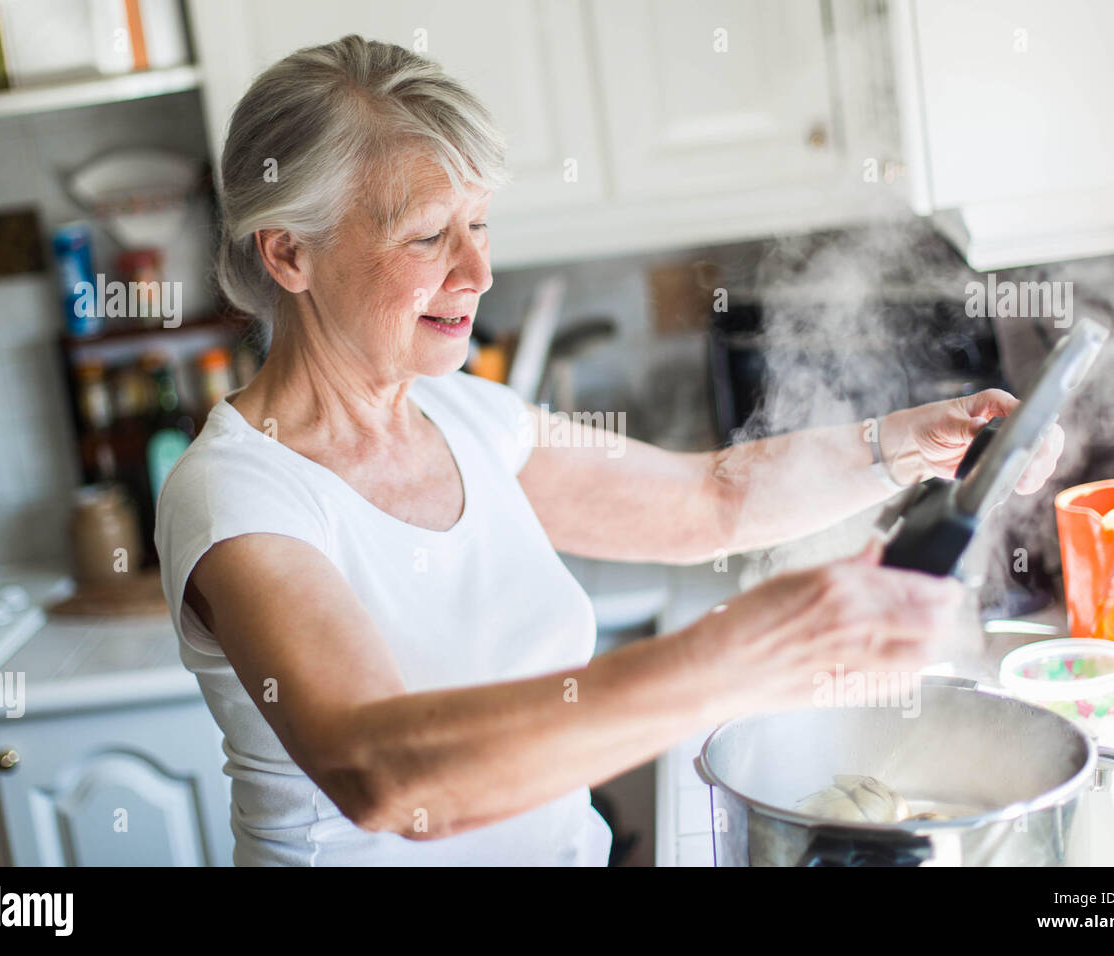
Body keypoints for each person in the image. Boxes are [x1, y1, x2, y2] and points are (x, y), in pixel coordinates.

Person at [155, 34, 1063, 866]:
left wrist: (913, 445)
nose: (478, 273)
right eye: (429, 235)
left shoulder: (465, 415)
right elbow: (386, 777)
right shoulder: (238, 493)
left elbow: (715, 501)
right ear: (288, 254)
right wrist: (749, 647)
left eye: (480, 224)